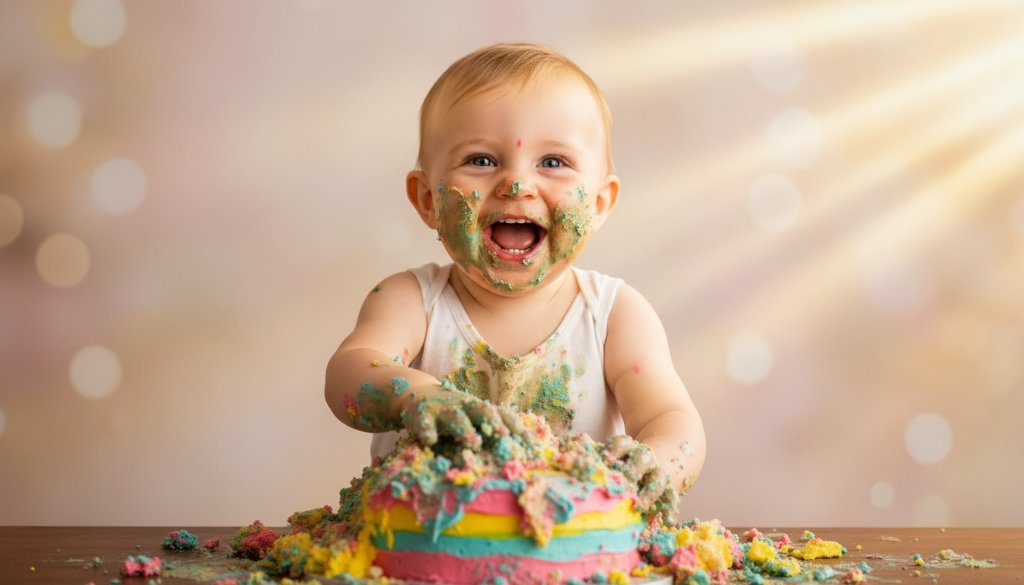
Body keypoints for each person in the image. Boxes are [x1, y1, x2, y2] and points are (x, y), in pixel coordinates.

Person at [325, 43, 705, 512]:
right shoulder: (412, 300)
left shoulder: (613, 315)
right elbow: (349, 373)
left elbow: (672, 419)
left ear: (599, 203)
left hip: (580, 551)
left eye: (553, 162)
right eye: (482, 160)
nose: (517, 184)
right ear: (426, 199)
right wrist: (420, 398)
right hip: (418, 551)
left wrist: (656, 464)